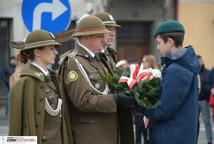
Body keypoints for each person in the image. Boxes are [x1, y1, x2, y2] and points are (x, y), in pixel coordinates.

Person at [58, 16, 134, 144]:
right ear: (87, 37)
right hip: (92, 135)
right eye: (100, 36)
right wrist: (115, 99)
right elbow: (83, 101)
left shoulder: (99, 59)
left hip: (109, 132)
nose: (104, 40)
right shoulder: (74, 62)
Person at [141, 20, 200, 144]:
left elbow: (162, 111)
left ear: (169, 42)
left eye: (158, 43)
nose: (157, 47)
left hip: (171, 137)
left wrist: (139, 103)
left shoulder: (177, 70)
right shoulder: (179, 66)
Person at [9, 30, 71, 144]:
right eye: (51, 48)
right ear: (37, 52)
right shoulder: (24, 83)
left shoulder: (53, 79)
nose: (56, 52)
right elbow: (16, 129)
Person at [196, 55, 213, 144]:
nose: (201, 62)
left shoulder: (207, 72)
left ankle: (209, 141)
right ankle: (194, 140)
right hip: (195, 102)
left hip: (204, 101)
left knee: (207, 122)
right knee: (195, 122)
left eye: (202, 60)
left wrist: (208, 90)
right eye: (199, 61)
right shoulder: (194, 73)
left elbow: (210, 84)